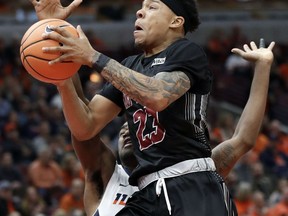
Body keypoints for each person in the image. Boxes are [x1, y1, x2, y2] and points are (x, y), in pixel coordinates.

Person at [30, 0, 275, 215]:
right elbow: (85, 126)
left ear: (176, 21)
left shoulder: (186, 51)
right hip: (148, 194)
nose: (139, 12)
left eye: (152, 7)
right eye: (141, 6)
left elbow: (157, 96)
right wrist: (56, 51)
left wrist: (94, 57)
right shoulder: (129, 65)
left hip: (190, 184)